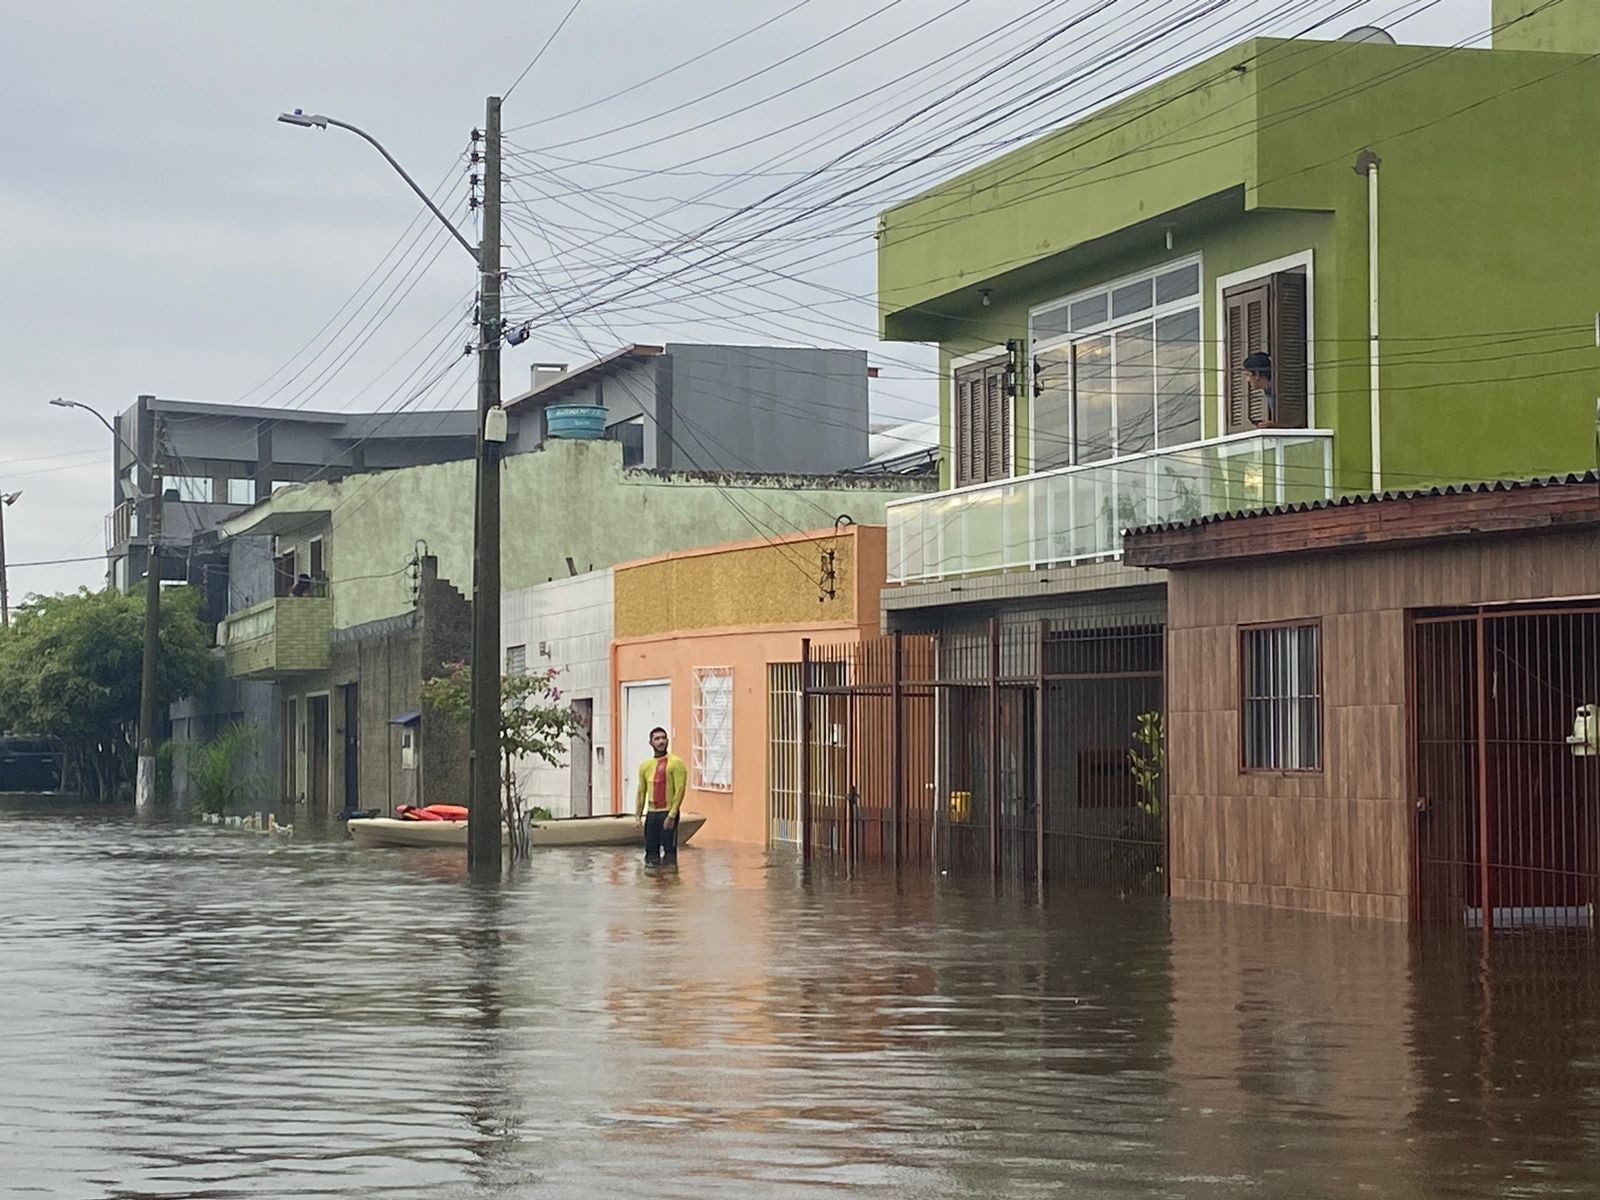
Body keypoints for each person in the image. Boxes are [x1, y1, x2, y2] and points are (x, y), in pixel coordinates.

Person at [635, 726, 687, 867]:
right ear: (651, 742)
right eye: (657, 739)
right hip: (652, 814)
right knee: (651, 852)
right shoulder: (645, 766)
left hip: (668, 812)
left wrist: (672, 814)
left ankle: (670, 882)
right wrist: (638, 815)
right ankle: (652, 883)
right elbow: (641, 791)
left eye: (663, 738)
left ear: (668, 741)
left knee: (669, 852)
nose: (661, 741)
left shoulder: (676, 763)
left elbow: (680, 790)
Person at [1242, 351, 1276, 423]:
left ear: (1257, 374)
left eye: (1248, 375)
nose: (1248, 380)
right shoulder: (1268, 390)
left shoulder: (1279, 389)